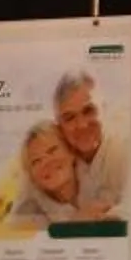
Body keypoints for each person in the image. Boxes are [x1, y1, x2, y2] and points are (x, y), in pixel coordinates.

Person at [51, 68, 126, 213]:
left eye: (88, 111)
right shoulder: (54, 158)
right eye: (69, 118)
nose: (82, 125)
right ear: (59, 127)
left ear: (105, 107)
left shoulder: (127, 148)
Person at [13, 120, 83, 223]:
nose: (46, 163)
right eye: (36, 161)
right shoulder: (26, 212)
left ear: (71, 151)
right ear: (32, 177)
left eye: (52, 150)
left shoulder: (98, 180)